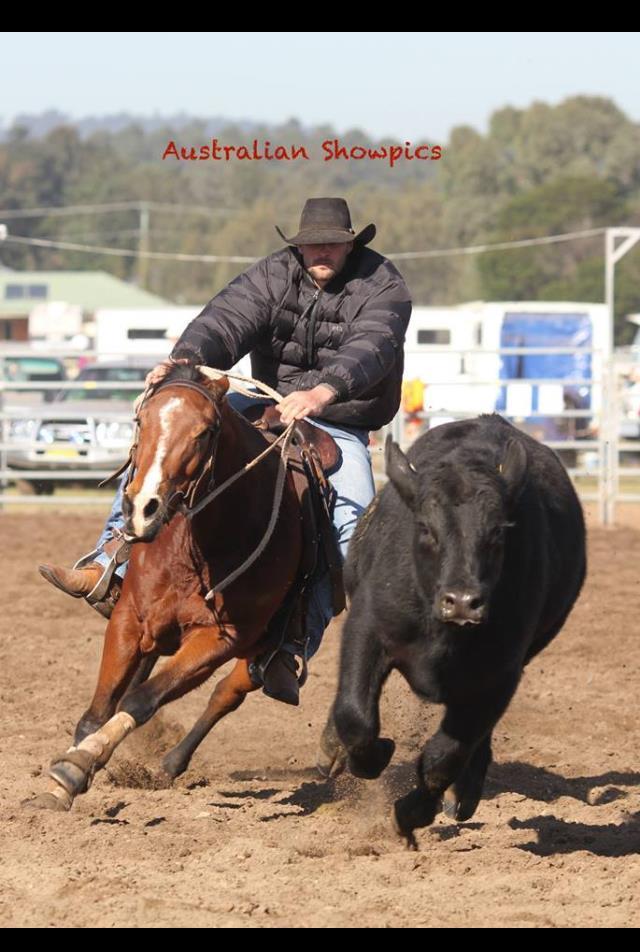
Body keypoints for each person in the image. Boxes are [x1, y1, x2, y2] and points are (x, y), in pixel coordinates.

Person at [39, 198, 412, 705]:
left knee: (352, 529)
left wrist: (324, 391)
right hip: (263, 402)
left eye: (331, 242)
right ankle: (109, 563)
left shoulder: (383, 285)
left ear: (351, 244)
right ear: (298, 246)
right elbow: (226, 319)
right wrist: (183, 362)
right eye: (311, 244)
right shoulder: (275, 274)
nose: (321, 251)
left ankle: (290, 644)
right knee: (167, 442)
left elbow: (373, 346)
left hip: (338, 420)